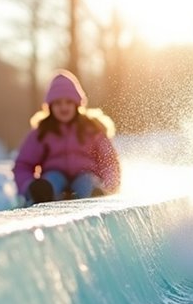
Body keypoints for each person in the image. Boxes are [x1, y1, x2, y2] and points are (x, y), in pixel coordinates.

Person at [13, 69, 121, 205]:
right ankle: (41, 194)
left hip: (86, 174)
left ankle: (96, 194)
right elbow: (23, 164)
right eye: (58, 103)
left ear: (77, 104)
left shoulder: (92, 129)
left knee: (87, 181)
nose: (63, 107)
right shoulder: (43, 132)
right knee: (52, 179)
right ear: (50, 107)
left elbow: (109, 161)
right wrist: (29, 186)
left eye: (68, 102)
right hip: (54, 175)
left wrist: (109, 185)